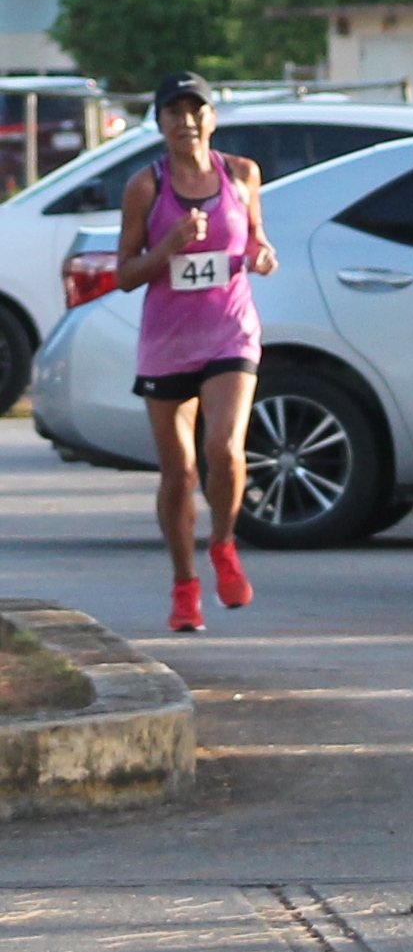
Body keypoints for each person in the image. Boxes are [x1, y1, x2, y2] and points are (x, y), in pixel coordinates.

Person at [116, 71, 278, 632]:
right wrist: (169, 246)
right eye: (174, 113)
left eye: (196, 110)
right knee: (179, 472)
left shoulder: (241, 174)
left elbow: (255, 237)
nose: (186, 122)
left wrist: (261, 254)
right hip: (167, 342)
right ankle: (184, 586)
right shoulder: (146, 186)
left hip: (229, 331)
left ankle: (225, 545)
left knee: (225, 449)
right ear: (159, 123)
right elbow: (126, 274)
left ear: (212, 117)